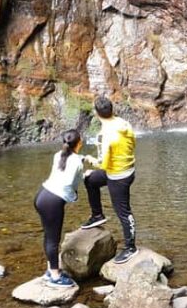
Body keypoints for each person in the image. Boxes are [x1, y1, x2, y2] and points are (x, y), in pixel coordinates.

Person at [81, 96, 138, 264]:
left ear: (96, 113)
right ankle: (97, 215)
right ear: (111, 110)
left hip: (118, 176)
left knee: (123, 212)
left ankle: (130, 247)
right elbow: (133, 143)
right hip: (123, 169)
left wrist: (91, 160)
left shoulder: (107, 135)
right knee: (90, 180)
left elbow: (104, 164)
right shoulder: (123, 123)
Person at [34, 129, 83, 288]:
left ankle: (50, 269)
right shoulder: (76, 161)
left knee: (48, 237)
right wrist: (73, 197)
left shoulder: (58, 154)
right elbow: (69, 184)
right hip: (52, 201)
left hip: (42, 195)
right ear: (79, 143)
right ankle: (55, 276)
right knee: (53, 240)